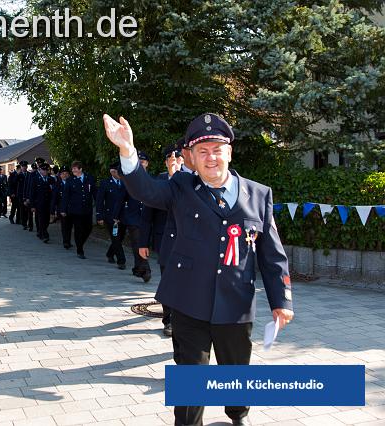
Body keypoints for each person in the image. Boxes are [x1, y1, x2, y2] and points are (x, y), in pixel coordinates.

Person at [104, 112, 294, 426]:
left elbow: (273, 256)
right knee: (190, 380)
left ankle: (238, 417)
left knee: (237, 372)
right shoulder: (180, 186)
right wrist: (127, 151)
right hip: (188, 303)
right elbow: (146, 191)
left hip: (236, 304)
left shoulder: (259, 195)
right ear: (191, 156)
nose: (210, 158)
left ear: (229, 153)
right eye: (202, 151)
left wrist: (281, 301)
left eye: (217, 150)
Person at [139, 139, 192, 336]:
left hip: (189, 240)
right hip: (165, 240)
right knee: (168, 281)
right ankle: (169, 320)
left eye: (178, 156)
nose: (175, 160)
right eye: (170, 157)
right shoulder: (159, 181)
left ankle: (187, 316)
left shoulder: (194, 179)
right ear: (165, 162)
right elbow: (147, 215)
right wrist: (143, 242)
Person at [119, 152, 152, 282]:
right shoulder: (128, 180)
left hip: (148, 218)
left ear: (147, 163)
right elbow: (121, 200)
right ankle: (146, 269)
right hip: (134, 218)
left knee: (143, 244)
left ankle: (139, 268)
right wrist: (117, 216)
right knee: (137, 243)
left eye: (143, 162)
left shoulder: (153, 179)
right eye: (138, 162)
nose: (141, 164)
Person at [60, 161, 96, 259]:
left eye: (75, 168)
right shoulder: (70, 180)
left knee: (88, 228)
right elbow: (65, 196)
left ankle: (80, 242)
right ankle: (80, 249)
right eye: (72, 169)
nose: (73, 170)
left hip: (87, 209)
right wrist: (63, 209)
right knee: (78, 230)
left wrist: (100, 206)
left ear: (80, 169)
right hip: (75, 210)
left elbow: (95, 193)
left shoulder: (89, 178)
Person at [96, 162, 127, 269]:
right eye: (118, 172)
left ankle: (110, 253)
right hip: (110, 216)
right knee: (116, 237)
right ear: (112, 172)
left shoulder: (125, 182)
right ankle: (121, 260)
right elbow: (99, 200)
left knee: (120, 237)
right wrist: (99, 216)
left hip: (122, 215)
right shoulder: (105, 183)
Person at [30, 163, 55, 243]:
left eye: (46, 170)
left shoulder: (51, 179)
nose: (45, 172)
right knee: (41, 219)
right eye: (43, 170)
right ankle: (44, 235)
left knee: (47, 219)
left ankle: (41, 232)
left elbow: (54, 191)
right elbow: (32, 193)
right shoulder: (35, 179)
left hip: (48, 203)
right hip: (39, 203)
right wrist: (32, 205)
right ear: (39, 170)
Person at [51, 166, 72, 249]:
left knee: (69, 226)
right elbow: (54, 198)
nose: (65, 175)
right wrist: (53, 210)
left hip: (71, 209)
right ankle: (65, 242)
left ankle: (68, 241)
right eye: (63, 174)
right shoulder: (57, 185)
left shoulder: (72, 183)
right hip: (62, 209)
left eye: (66, 173)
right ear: (60, 175)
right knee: (64, 225)